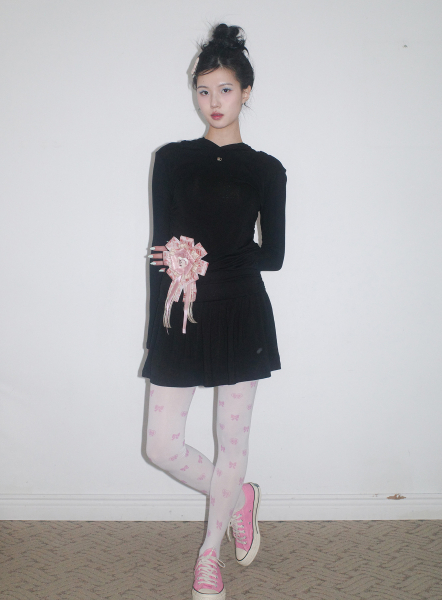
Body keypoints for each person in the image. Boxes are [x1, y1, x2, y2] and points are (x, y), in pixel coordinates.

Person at [142, 23, 286, 600]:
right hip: (179, 315)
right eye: (203, 91)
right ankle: (240, 496)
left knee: (232, 442)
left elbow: (273, 256)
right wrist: (158, 325)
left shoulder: (265, 169)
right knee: (161, 445)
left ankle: (209, 555)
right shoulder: (172, 160)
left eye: (224, 89)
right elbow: (159, 250)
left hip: (241, 313)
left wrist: (212, 260)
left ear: (246, 92)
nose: (213, 102)